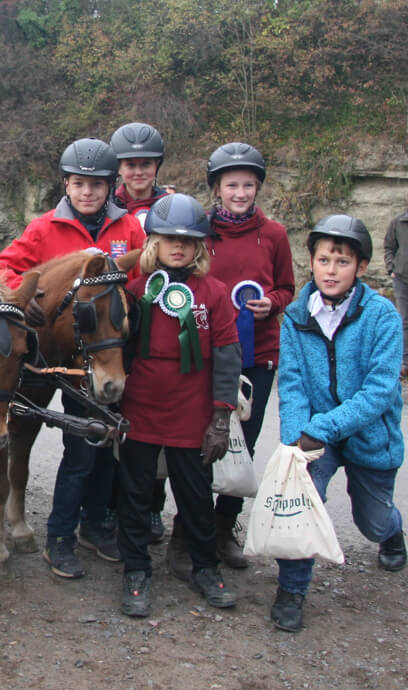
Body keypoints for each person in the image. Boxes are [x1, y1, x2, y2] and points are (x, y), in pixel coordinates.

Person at [0, 138, 146, 577]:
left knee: (98, 444)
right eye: (79, 184)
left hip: (99, 351)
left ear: (110, 186)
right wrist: (28, 295)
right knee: (72, 451)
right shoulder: (45, 228)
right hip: (51, 351)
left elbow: (138, 281)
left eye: (96, 185)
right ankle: (58, 537)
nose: (87, 192)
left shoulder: (129, 229)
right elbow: (1, 267)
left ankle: (93, 525)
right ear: (66, 184)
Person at [273, 214, 406, 632]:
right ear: (311, 262)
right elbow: (292, 383)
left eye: (343, 261)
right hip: (315, 434)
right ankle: (292, 588)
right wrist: (296, 439)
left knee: (372, 522)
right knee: (301, 504)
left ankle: (392, 530)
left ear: (361, 267)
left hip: (369, 434)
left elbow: (379, 391)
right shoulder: (296, 316)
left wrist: (323, 427)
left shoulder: (383, 316)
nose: (331, 270)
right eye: (324, 260)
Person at [168, 142, 294, 579]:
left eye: (248, 185)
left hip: (258, 355)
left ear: (258, 187)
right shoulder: (199, 231)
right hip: (206, 354)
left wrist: (272, 303)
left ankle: (224, 529)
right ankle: (187, 531)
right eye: (231, 185)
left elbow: (287, 287)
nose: (240, 193)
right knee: (202, 444)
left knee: (244, 446)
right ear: (217, 188)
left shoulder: (273, 234)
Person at [116, 193, 242, 618]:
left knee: (195, 496)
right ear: (155, 243)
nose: (179, 246)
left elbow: (227, 355)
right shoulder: (135, 291)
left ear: (199, 247)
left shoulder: (215, 294)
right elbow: (117, 353)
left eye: (188, 241)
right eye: (171, 239)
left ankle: (205, 568)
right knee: (134, 494)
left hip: (192, 412)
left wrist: (220, 417)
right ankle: (136, 569)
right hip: (141, 408)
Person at [110, 121, 171, 544]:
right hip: (116, 320)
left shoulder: (171, 206)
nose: (138, 172)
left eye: (145, 164)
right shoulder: (106, 204)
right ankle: (113, 506)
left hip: (160, 315)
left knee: (155, 417)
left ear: (156, 167)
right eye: (130, 164)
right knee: (116, 416)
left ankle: (153, 506)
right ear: (119, 168)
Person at [383, 192, 408, 378]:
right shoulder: (398, 223)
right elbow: (389, 247)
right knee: (404, 320)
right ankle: (405, 363)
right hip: (402, 279)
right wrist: (392, 268)